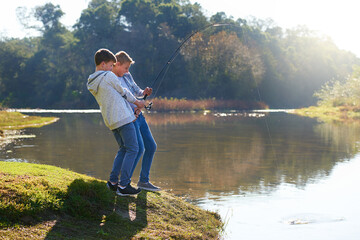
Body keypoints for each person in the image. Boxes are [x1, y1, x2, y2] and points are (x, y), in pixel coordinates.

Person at [87, 48, 145, 196]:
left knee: (123, 149)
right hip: (123, 118)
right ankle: (124, 186)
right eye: (111, 65)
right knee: (133, 149)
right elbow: (123, 91)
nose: (112, 68)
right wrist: (138, 103)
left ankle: (113, 182)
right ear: (103, 64)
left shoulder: (91, 81)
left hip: (111, 120)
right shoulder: (108, 76)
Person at [112, 51, 160, 192]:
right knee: (137, 149)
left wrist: (144, 92)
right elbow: (123, 99)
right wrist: (135, 107)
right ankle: (123, 183)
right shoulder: (112, 79)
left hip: (140, 116)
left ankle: (143, 181)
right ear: (117, 64)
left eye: (128, 69)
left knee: (151, 146)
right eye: (126, 68)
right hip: (129, 118)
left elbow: (135, 91)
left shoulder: (126, 75)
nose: (127, 71)